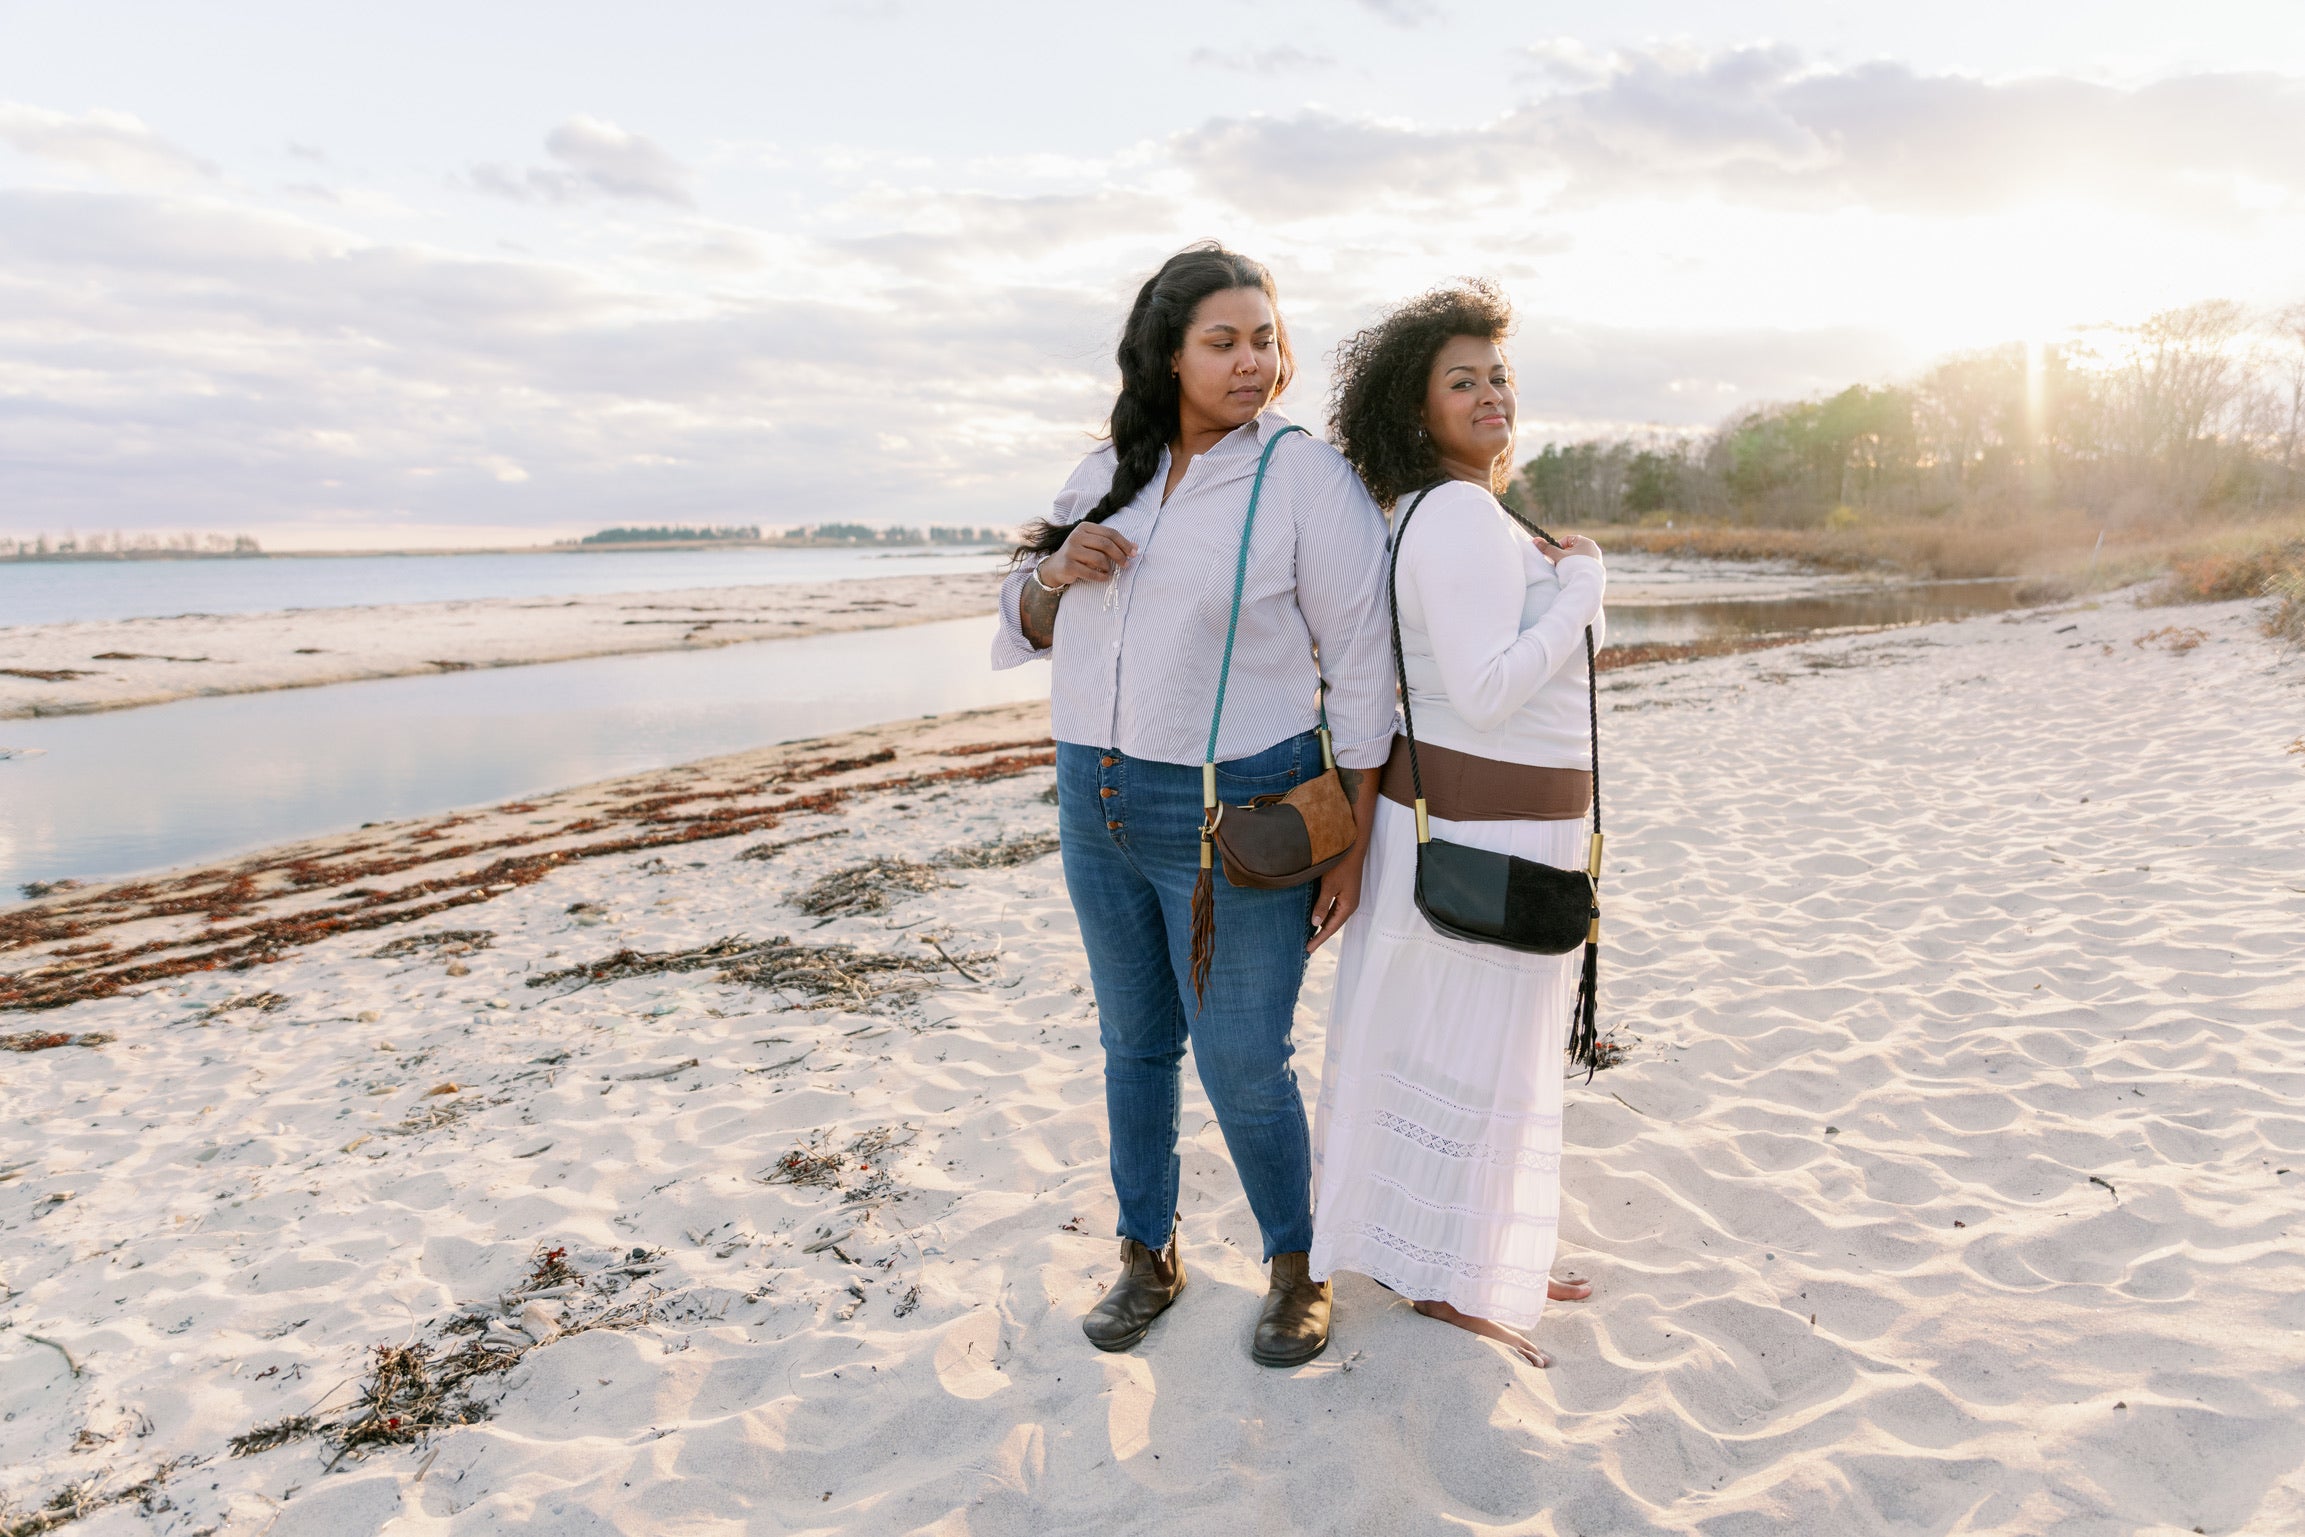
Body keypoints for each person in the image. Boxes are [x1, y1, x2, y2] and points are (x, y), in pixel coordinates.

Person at [992, 243, 1393, 1367]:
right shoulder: (1100, 472)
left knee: (1241, 1058)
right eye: (1222, 342)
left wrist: (1352, 833)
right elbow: (1021, 617)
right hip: (1094, 795)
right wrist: (1054, 573)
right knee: (1133, 1043)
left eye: (1264, 338)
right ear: (1167, 354)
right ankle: (1145, 1254)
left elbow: (1362, 665)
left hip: (1238, 812)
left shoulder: (1302, 477)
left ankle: (1296, 1265)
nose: (1251, 363)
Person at [1308, 281, 1604, 1369]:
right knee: (1468, 1056)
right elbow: (1483, 689)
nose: (1490, 394)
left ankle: (1476, 1260)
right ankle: (1451, 1286)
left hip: (1501, 828)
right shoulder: (1460, 515)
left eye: (1499, 377)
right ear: (1413, 407)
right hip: (1484, 834)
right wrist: (1583, 586)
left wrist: (1558, 576)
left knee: (1475, 1057)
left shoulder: (1466, 512)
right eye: (1462, 380)